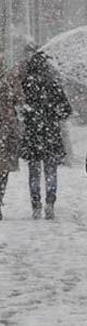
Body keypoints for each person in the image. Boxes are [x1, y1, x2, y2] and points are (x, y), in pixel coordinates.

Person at [19, 48, 71, 220]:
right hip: (50, 134)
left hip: (33, 134)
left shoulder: (26, 83)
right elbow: (66, 110)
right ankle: (50, 202)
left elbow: (20, 108)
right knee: (51, 171)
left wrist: (30, 115)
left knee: (34, 171)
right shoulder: (53, 84)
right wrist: (53, 113)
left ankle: (36, 204)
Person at [0, 58, 24, 220]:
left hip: (6, 130)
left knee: (3, 168)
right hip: (7, 129)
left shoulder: (10, 81)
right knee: (3, 169)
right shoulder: (10, 81)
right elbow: (20, 100)